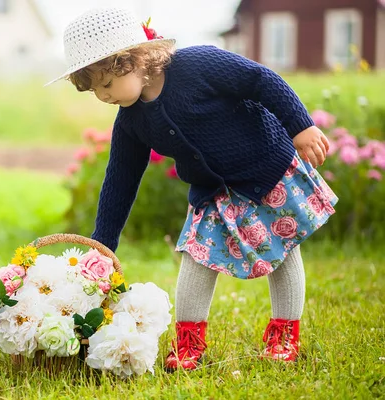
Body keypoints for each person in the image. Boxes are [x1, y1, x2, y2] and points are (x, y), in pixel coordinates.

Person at [47, 8, 338, 371]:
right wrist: (104, 244)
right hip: (213, 192)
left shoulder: (198, 64)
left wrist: (301, 127)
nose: (102, 96)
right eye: (94, 91)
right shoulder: (130, 123)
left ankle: (283, 338)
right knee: (198, 258)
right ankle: (189, 345)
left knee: (283, 251)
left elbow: (260, 80)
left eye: (106, 84)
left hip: (266, 170)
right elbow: (119, 181)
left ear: (134, 60)